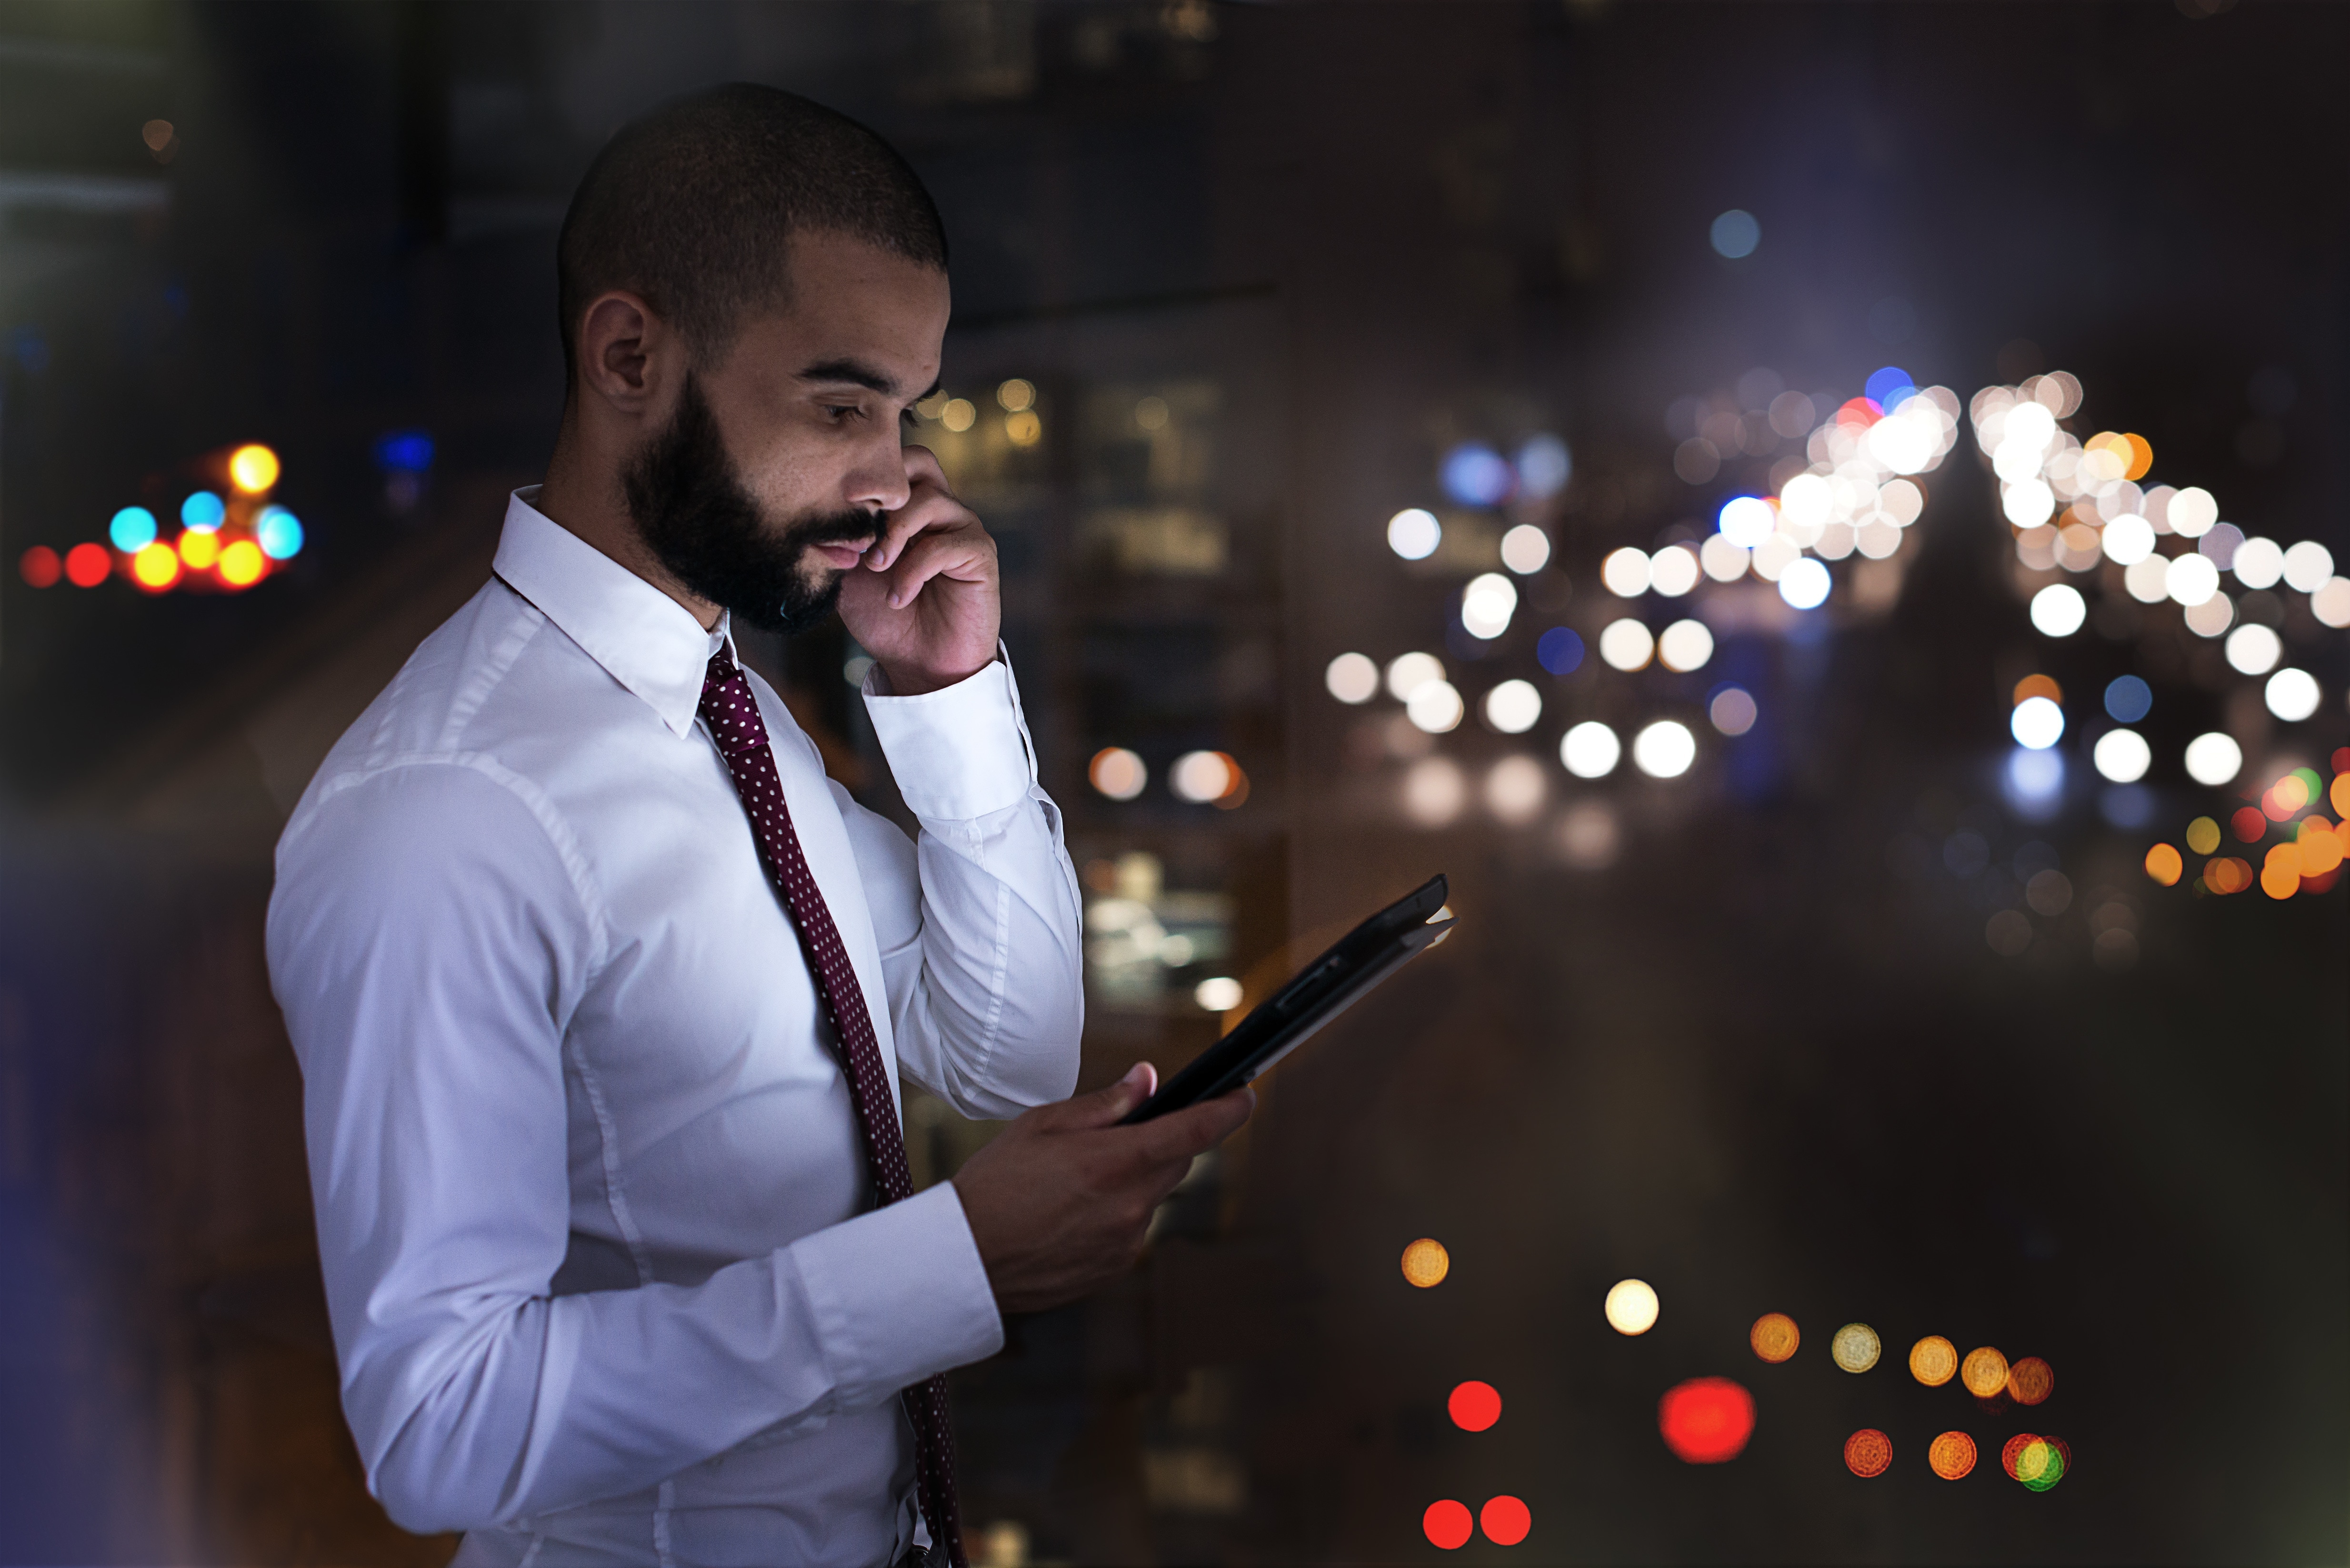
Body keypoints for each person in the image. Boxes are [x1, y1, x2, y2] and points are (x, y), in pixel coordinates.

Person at [266, 84, 1253, 1568]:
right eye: (843, 404)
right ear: (629, 357)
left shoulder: (727, 706)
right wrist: (954, 1263)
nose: (891, 478)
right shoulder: (445, 814)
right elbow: (440, 1428)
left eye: (907, 414)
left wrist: (951, 694)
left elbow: (1002, 1054)